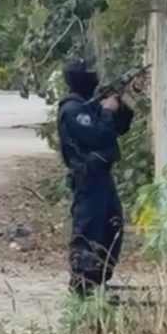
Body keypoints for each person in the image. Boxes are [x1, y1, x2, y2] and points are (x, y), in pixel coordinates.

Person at [57, 59, 134, 296]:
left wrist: (121, 104)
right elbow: (100, 136)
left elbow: (118, 129)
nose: (95, 76)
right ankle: (82, 288)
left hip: (102, 177)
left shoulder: (87, 105)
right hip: (88, 179)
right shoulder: (72, 110)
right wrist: (106, 111)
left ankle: (98, 281)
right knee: (89, 231)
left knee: (111, 227)